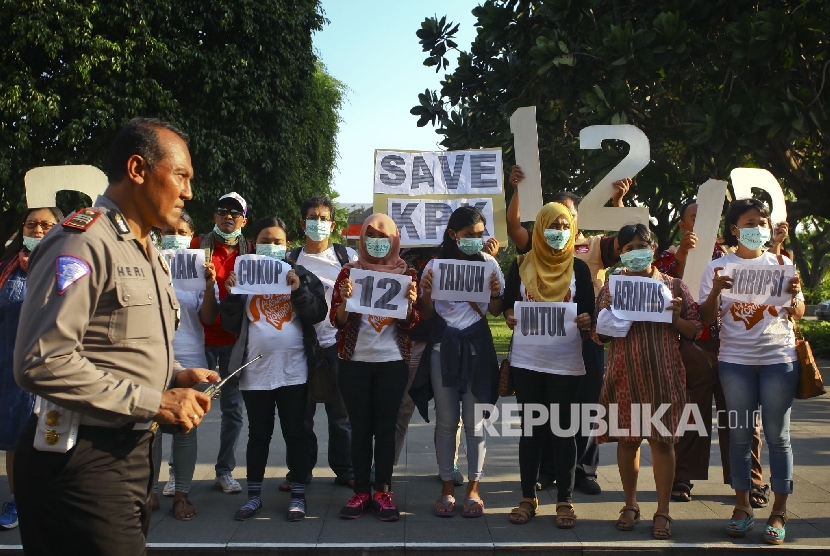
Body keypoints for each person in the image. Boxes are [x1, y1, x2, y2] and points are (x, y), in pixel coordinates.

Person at [13, 117, 218, 555]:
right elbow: (42, 360)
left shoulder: (147, 249)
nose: (188, 192)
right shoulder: (82, 242)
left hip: (132, 455)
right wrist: (156, 401)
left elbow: (116, 345)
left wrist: (175, 377)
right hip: (80, 460)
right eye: (180, 176)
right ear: (138, 169)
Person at [506, 165, 632, 494]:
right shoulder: (531, 254)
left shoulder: (593, 246)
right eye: (557, 216)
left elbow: (628, 243)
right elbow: (513, 228)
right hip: (539, 344)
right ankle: (548, 471)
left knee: (586, 405)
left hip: (585, 337)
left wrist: (618, 203)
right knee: (546, 412)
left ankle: (584, 471)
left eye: (570, 216)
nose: (563, 224)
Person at [698, 198, 803, 545]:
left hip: (778, 360)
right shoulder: (718, 266)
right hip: (735, 363)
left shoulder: (781, 263)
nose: (758, 228)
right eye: (750, 222)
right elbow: (705, 318)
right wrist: (715, 291)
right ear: (734, 228)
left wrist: (797, 294)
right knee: (740, 437)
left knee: (778, 437)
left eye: (763, 222)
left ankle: (779, 512)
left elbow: (797, 311)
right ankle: (742, 508)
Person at [654, 200, 768, 506]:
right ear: (683, 225)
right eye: (695, 217)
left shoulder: (732, 254)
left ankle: (749, 480)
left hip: (738, 348)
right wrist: (681, 255)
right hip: (695, 345)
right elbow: (661, 285)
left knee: (742, 417)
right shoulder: (668, 256)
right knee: (693, 413)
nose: (702, 224)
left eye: (709, 218)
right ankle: (683, 477)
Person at [593, 223, 702, 540]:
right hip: (624, 373)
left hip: (663, 374)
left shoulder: (675, 287)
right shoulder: (612, 287)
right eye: (627, 249)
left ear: (653, 249)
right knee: (627, 442)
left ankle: (663, 510)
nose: (634, 253)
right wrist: (611, 315)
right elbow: (599, 334)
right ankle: (630, 504)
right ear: (621, 255)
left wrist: (676, 317)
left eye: (641, 246)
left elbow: (694, 329)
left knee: (662, 442)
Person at [219, 217, 327, 522]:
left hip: (294, 370)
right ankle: (254, 497)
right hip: (255, 371)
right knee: (259, 435)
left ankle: (297, 497)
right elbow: (228, 324)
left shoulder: (302, 275)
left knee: (296, 433)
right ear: (255, 243)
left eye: (278, 241)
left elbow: (318, 313)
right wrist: (231, 295)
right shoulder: (243, 276)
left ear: (287, 245)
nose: (272, 245)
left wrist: (298, 290)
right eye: (266, 240)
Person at [501, 202, 595, 528]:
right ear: (539, 228)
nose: (559, 232)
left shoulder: (579, 270)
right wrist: (510, 315)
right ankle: (528, 497)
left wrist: (586, 319)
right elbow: (507, 308)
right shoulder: (521, 264)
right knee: (530, 432)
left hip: (566, 363)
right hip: (527, 362)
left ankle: (565, 501)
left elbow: (590, 315)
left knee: (562, 431)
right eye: (552, 226)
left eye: (565, 226)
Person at [410, 206, 503, 518]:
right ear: (453, 234)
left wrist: (494, 294)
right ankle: (447, 488)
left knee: (476, 425)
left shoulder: (490, 264)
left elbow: (495, 310)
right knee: (447, 422)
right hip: (442, 350)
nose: (476, 240)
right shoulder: (435, 266)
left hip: (477, 348)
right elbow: (425, 313)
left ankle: (474, 488)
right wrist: (424, 293)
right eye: (469, 235)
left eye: (480, 235)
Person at [331, 214, 419, 522]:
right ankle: (360, 491)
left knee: (385, 430)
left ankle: (383, 491)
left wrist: (409, 304)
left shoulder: (406, 273)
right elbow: (337, 321)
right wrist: (344, 300)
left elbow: (410, 324)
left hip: (391, 363)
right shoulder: (349, 272)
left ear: (395, 240)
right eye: (371, 235)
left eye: (384, 236)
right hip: (354, 362)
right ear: (362, 238)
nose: (377, 241)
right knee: (360, 429)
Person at [283, 195, 356, 491]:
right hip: (303, 347)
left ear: (333, 224)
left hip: (338, 343)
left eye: (324, 218)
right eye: (312, 217)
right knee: (301, 417)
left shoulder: (347, 257)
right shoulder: (289, 260)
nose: (318, 222)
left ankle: (346, 470)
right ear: (303, 224)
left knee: (341, 416)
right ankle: (300, 472)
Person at [151, 211, 217, 520]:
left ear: (191, 236)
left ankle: (181, 494)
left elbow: (207, 318)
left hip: (190, 358)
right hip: (153, 359)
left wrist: (209, 286)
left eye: (182, 231)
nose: (175, 235)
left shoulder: (198, 271)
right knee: (148, 430)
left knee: (184, 429)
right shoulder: (150, 263)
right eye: (170, 230)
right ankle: (148, 492)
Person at [0, 206, 63, 529]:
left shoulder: (71, 267)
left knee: (57, 437)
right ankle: (18, 499)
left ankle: (55, 499)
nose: (38, 230)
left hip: (59, 371)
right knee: (17, 441)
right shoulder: (6, 271)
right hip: (13, 372)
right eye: (32, 224)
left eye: (46, 225)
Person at [191, 192, 249, 494]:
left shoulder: (250, 253)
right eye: (222, 210)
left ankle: (224, 471)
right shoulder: (194, 248)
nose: (228, 216)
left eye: (235, 213)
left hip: (233, 340)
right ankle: (178, 473)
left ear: (244, 220)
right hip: (196, 338)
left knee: (233, 410)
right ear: (214, 216)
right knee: (186, 405)